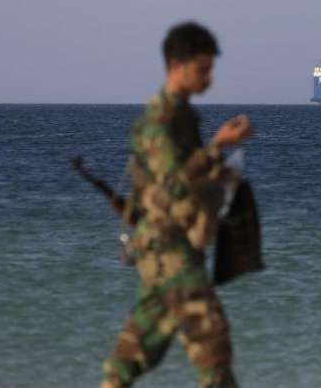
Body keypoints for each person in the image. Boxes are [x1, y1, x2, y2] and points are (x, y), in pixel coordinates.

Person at [101, 22, 252, 388]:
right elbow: (174, 185)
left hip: (166, 249)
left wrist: (221, 172)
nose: (209, 79)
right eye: (202, 69)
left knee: (130, 358)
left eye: (211, 69)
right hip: (171, 251)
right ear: (176, 65)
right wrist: (217, 146)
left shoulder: (183, 116)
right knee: (213, 352)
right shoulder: (161, 121)